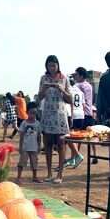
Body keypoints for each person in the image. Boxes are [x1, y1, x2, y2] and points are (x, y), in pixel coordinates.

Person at [39, 55, 72, 184]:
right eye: (49, 65)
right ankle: (48, 173)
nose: (52, 67)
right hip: (47, 114)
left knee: (61, 143)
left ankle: (60, 174)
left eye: (54, 65)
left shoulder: (64, 78)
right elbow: (39, 97)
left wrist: (62, 89)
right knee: (47, 144)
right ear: (46, 66)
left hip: (60, 115)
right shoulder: (43, 78)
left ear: (58, 65)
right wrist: (44, 88)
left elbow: (69, 100)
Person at [74, 67, 97, 164]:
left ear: (81, 76)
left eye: (76, 75)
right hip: (90, 112)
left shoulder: (78, 86)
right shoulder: (89, 86)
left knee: (77, 135)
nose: (75, 77)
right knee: (91, 135)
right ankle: (95, 155)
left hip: (81, 113)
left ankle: (77, 156)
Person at [16, 102, 43, 183]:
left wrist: (39, 146)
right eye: (31, 113)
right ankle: (18, 177)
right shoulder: (24, 123)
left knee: (34, 162)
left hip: (34, 147)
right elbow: (21, 136)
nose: (32, 115)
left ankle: (35, 177)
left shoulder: (38, 124)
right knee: (22, 162)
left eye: (34, 113)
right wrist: (20, 147)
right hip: (25, 147)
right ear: (27, 112)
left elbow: (39, 136)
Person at [97, 52, 110, 125]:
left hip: (108, 115)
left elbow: (99, 100)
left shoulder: (104, 78)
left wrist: (98, 117)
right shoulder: (104, 78)